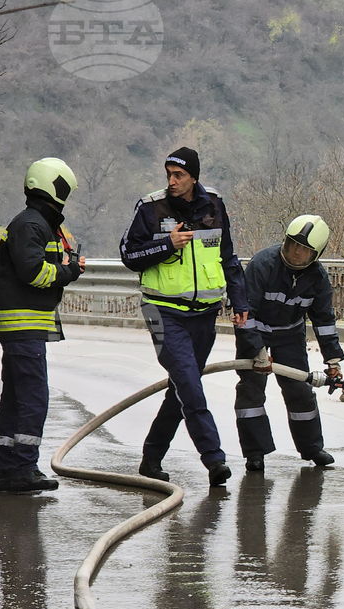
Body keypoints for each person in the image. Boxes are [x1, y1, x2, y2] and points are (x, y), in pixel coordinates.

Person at [119, 147, 248, 486]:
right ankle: (215, 459)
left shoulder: (214, 206)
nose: (171, 181)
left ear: (194, 177)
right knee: (190, 385)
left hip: (204, 315)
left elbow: (228, 258)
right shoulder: (150, 207)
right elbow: (129, 254)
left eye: (178, 175)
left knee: (182, 389)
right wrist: (166, 244)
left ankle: (151, 457)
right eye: (168, 175)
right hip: (163, 312)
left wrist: (240, 302)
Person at [0, 157, 84, 492]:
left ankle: (4, 470)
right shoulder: (32, 225)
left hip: (20, 328)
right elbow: (34, 272)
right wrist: (69, 271)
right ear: (55, 188)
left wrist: (65, 264)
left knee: (15, 398)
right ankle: (24, 466)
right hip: (23, 326)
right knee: (32, 397)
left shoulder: (34, 223)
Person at [234, 214, 342, 471]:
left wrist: (333, 361)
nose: (296, 252)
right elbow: (245, 313)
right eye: (293, 243)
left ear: (316, 254)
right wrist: (257, 350)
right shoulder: (263, 265)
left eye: (304, 249)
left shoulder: (317, 277)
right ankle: (255, 453)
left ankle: (312, 448)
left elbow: (324, 320)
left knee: (300, 389)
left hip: (290, 335)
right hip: (256, 333)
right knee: (251, 389)